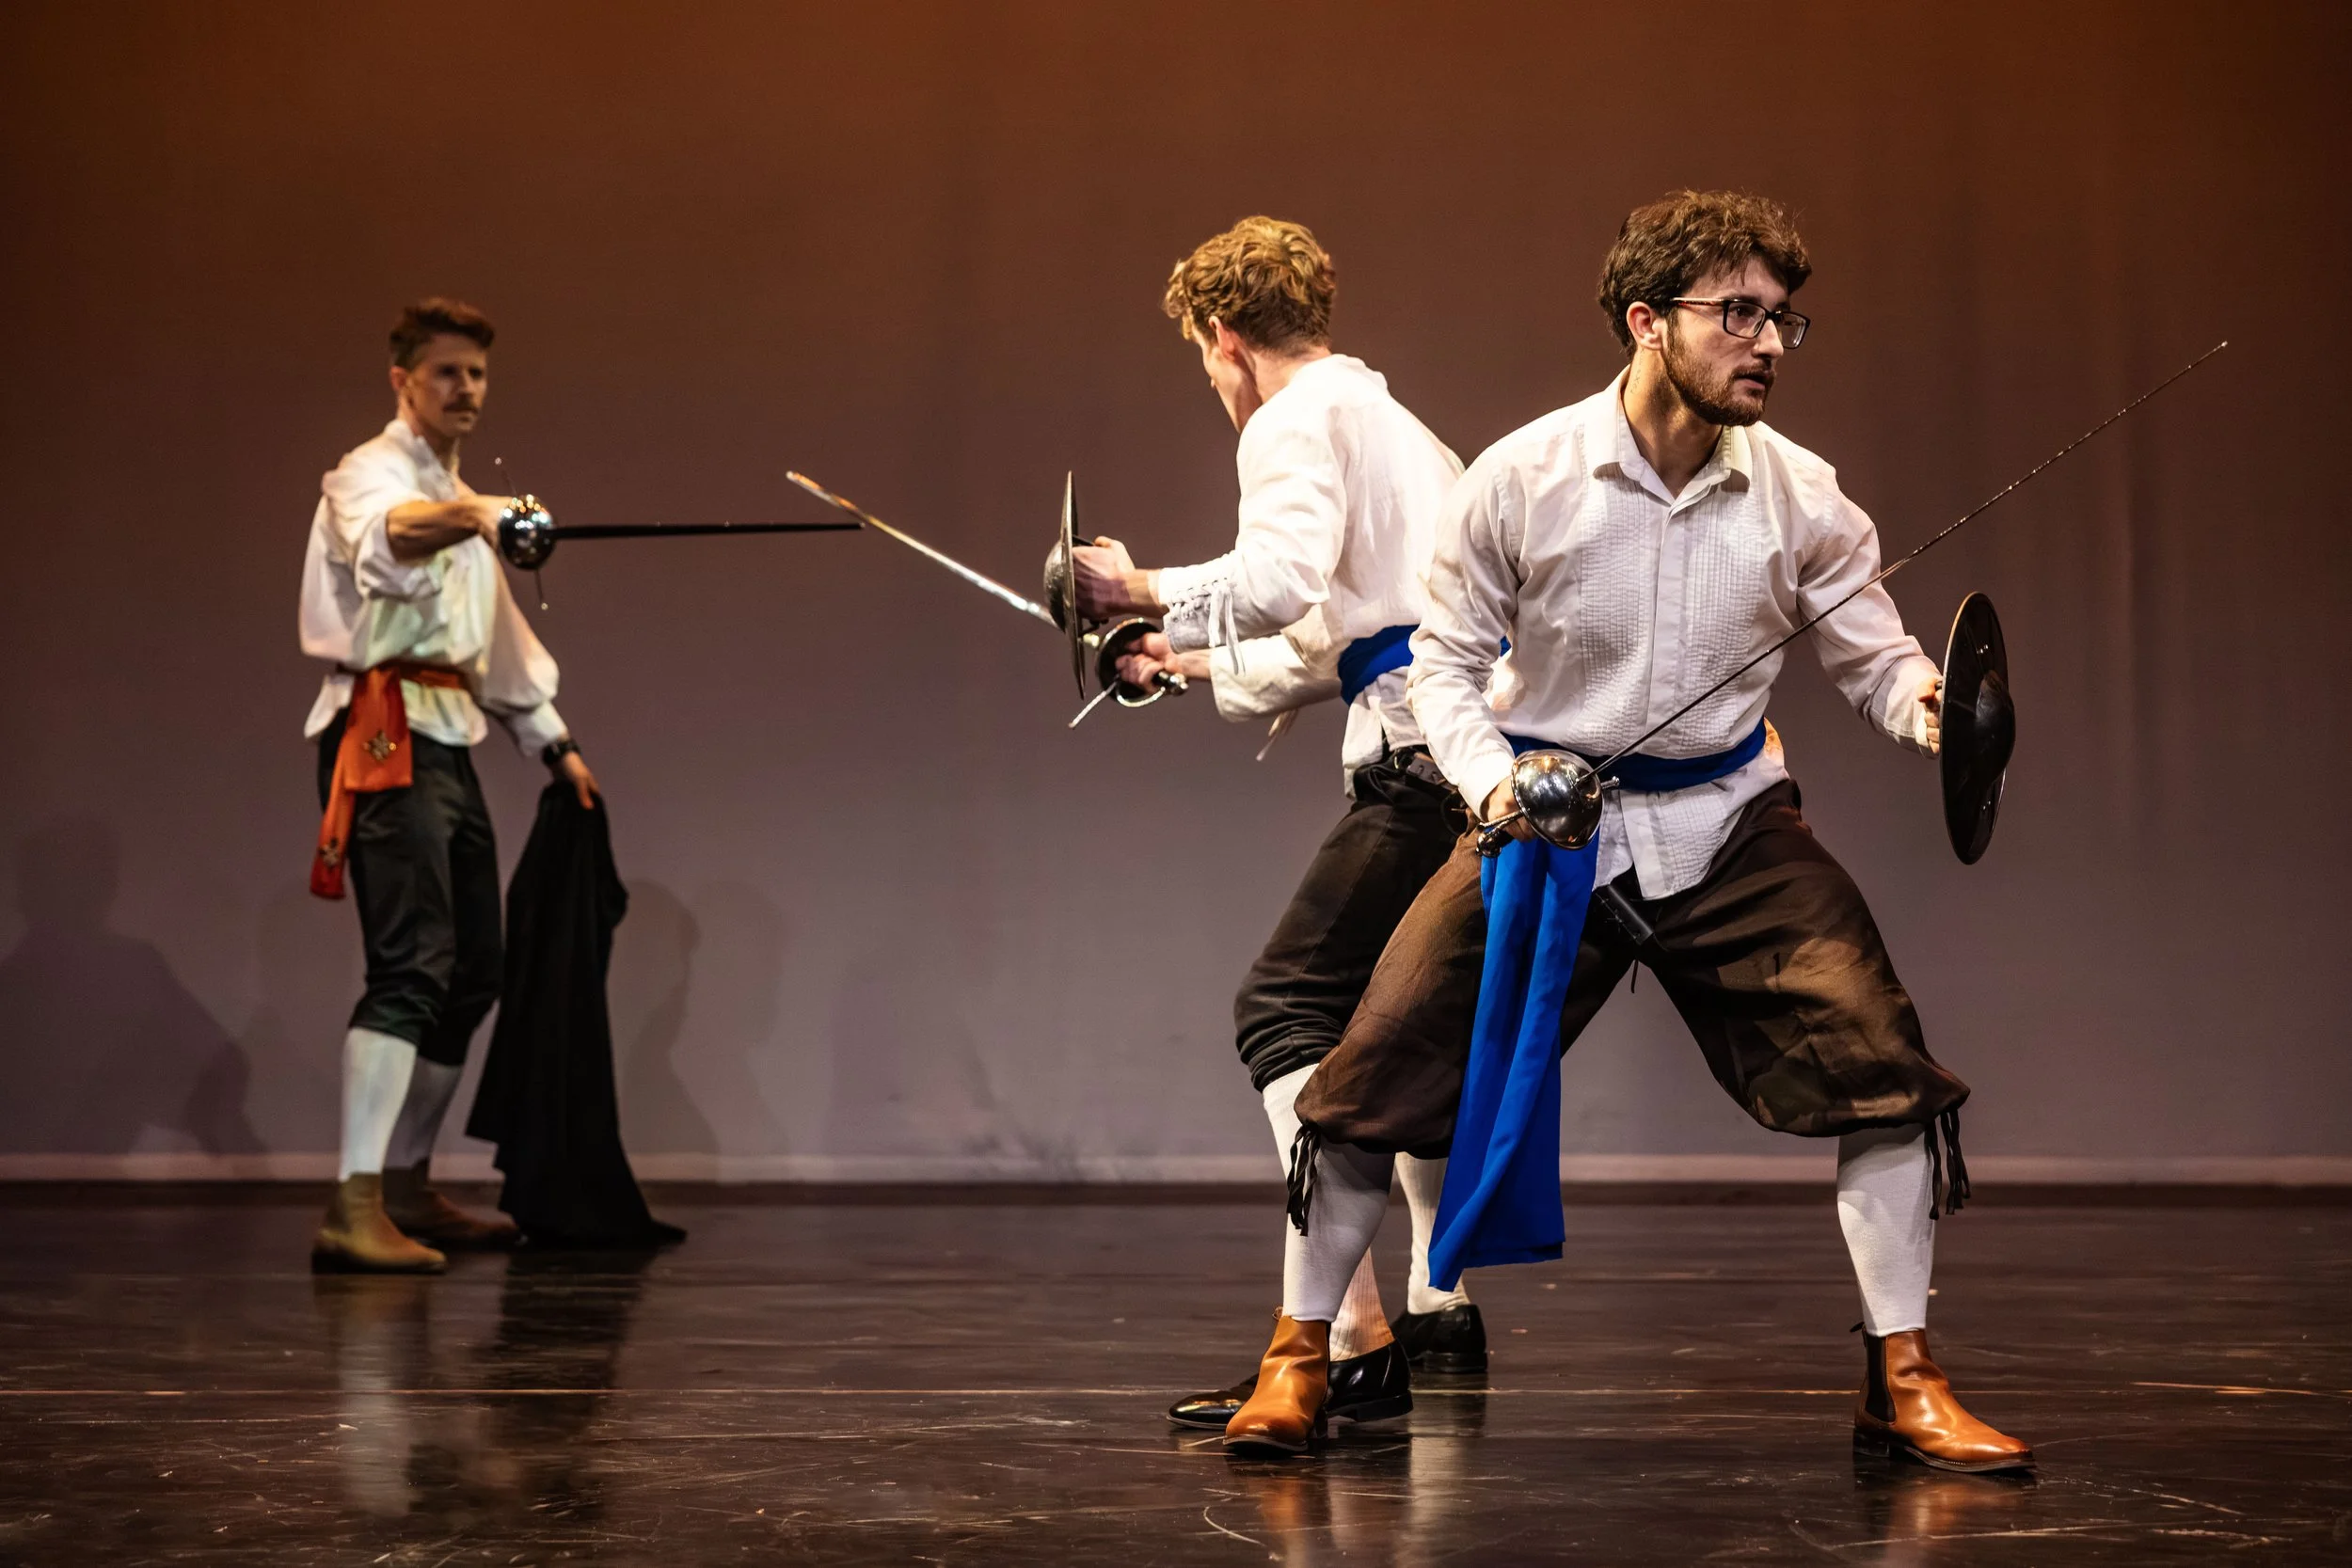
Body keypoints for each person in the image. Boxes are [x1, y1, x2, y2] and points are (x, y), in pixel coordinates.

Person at [1227, 191, 2033, 1474]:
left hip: (1729, 828)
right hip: (1548, 828)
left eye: (1783, 320)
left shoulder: (1805, 498)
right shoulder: (1523, 478)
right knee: (1363, 1082)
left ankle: (1905, 1374)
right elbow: (1442, 668)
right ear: (1649, 322)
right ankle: (1299, 1355)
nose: (1767, 343)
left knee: (1887, 1068)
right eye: (1738, 315)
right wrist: (1494, 787)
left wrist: (1939, 714)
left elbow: (1880, 667)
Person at [1073, 217, 1487, 1429]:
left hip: (1425, 759)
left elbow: (1276, 581)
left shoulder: (1295, 417)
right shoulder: (1398, 427)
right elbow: (1340, 632)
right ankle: (1419, 1303)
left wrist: (1133, 587)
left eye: (1203, 355)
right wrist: (1178, 661)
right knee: (1382, 1028)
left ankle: (1347, 1338)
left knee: (1283, 1008)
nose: (1211, 379)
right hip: (1455, 747)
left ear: (1223, 334)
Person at [300, 298, 602, 1273]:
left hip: (447, 734)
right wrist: (476, 514)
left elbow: (500, 646)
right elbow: (384, 543)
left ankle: (402, 1183)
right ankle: (352, 1203)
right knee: (412, 964)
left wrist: (553, 743)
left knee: (475, 968)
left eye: (476, 373)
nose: (464, 388)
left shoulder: (464, 496)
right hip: (382, 732)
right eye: (445, 372)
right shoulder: (370, 474)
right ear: (402, 379)